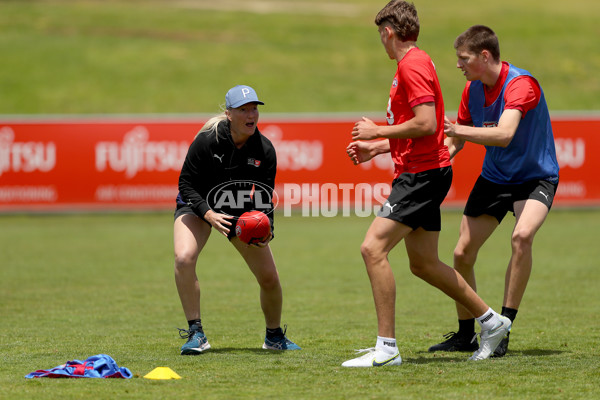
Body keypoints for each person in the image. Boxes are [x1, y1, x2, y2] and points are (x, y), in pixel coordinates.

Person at [342, 1, 510, 367]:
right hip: (424, 170)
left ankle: (386, 348)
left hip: (422, 175)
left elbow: (426, 124)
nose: (380, 42)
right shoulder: (416, 62)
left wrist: (377, 130)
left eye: (380, 35)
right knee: (424, 264)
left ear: (388, 32)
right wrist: (377, 148)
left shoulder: (412, 64)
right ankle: (492, 321)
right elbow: (422, 131)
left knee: (372, 249)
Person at [429, 25, 559, 357]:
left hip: (535, 178)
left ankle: (504, 330)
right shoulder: (472, 90)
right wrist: (437, 162)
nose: (458, 65)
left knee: (522, 236)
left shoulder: (521, 85)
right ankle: (466, 334)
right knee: (461, 254)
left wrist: (458, 129)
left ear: (484, 56)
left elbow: (504, 134)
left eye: (463, 58)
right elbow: (455, 139)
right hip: (495, 178)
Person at [173, 85, 300, 355]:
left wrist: (268, 229)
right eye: (243, 109)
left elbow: (265, 196)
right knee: (184, 258)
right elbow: (185, 184)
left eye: (254, 108)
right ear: (229, 114)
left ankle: (274, 336)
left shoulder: (264, 149)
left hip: (237, 210)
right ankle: (196, 334)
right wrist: (207, 213)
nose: (251, 114)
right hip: (198, 206)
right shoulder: (207, 140)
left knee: (269, 277)